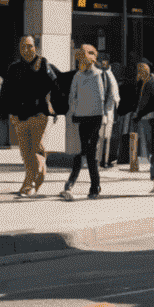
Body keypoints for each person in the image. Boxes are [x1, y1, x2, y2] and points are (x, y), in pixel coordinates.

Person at [0, 36, 57, 196]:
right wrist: (6, 113)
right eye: (23, 46)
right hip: (19, 116)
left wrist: (54, 108)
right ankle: (35, 176)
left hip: (39, 115)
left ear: (35, 47)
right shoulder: (13, 68)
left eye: (30, 46)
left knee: (35, 148)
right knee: (26, 152)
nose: (26, 49)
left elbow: (54, 84)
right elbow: (5, 92)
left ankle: (30, 182)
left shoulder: (42, 63)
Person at [64, 44, 117, 198]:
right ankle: (86, 184)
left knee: (91, 152)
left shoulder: (102, 75)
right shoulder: (78, 76)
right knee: (83, 151)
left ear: (92, 57)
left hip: (97, 118)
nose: (80, 60)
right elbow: (72, 96)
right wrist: (74, 110)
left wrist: (106, 113)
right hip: (81, 118)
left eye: (83, 56)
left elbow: (111, 95)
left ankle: (95, 186)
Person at [128, 58, 154, 192]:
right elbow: (138, 101)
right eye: (138, 70)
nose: (139, 72)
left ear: (148, 70)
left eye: (142, 70)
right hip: (146, 119)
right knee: (151, 149)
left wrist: (138, 115)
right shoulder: (141, 83)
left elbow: (152, 104)